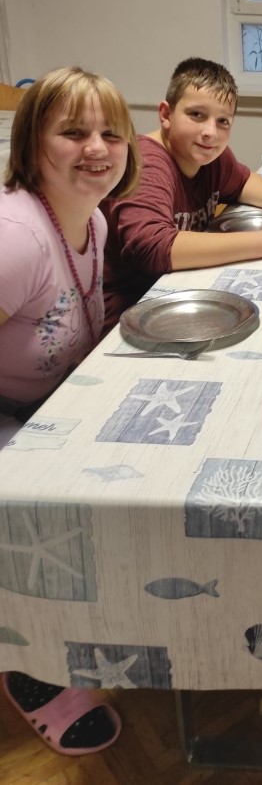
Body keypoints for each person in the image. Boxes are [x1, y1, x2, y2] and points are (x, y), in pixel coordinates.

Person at [0, 65, 141, 754]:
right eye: (73, 132)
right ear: (32, 144)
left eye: (111, 133)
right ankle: (25, 660)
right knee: (41, 520)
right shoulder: (16, 237)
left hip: (49, 404)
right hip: (11, 414)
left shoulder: (95, 221)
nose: (96, 148)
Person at [102, 57, 262, 330]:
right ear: (166, 115)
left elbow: (241, 181)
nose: (210, 133)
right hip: (127, 311)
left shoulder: (210, 156)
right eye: (196, 115)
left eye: (223, 121)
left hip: (177, 292)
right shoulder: (147, 162)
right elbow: (153, 248)